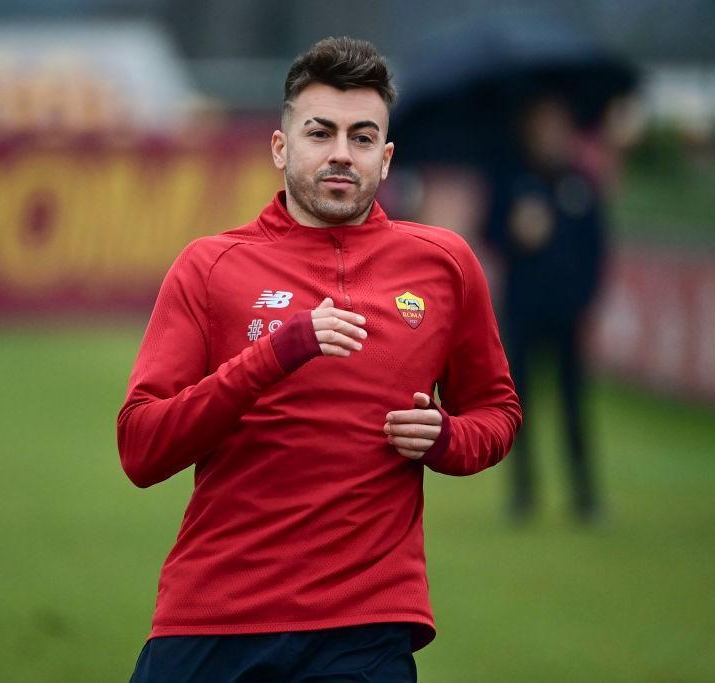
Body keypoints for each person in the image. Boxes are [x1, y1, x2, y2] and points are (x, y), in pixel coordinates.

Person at [117, 37, 522, 682]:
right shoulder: (210, 266)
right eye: (320, 132)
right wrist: (276, 352)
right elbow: (141, 448)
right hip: (215, 617)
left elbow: (498, 412)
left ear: (386, 160)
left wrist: (447, 438)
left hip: (364, 629)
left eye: (362, 138)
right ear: (281, 147)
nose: (340, 153)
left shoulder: (444, 264)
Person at [484, 97, 605, 524]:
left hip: (568, 313)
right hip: (523, 310)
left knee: (574, 405)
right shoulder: (512, 180)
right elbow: (491, 234)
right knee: (520, 406)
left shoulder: (581, 184)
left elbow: (598, 250)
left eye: (558, 127)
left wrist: (586, 299)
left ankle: (585, 495)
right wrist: (516, 230)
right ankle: (523, 494)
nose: (550, 136)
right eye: (542, 127)